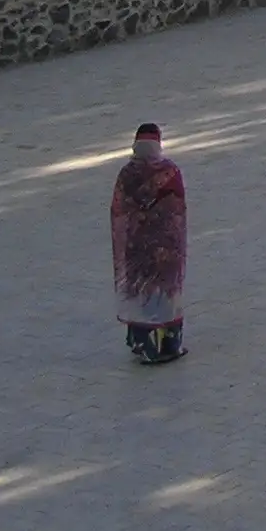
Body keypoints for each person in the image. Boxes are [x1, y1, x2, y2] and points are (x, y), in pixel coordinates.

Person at [111, 123, 188, 365]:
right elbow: (179, 204)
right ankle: (171, 343)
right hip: (166, 246)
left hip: (137, 245)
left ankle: (143, 343)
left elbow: (119, 209)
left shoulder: (127, 174)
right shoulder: (170, 171)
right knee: (167, 291)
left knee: (140, 291)